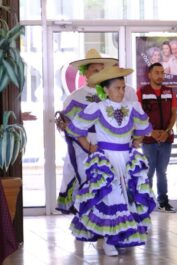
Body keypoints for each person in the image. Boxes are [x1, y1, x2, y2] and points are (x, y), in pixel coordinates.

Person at [65, 66, 156, 256]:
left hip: (126, 158)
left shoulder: (132, 107)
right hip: (107, 159)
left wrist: (136, 141)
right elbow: (75, 129)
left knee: (127, 197)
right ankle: (108, 240)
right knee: (111, 196)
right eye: (117, 88)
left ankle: (120, 236)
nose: (121, 91)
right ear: (105, 89)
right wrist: (89, 147)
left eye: (123, 87)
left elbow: (143, 128)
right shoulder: (97, 108)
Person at [56, 49, 137, 213]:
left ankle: (111, 219)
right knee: (88, 181)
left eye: (101, 70)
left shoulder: (112, 92)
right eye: (95, 70)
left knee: (114, 182)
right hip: (84, 148)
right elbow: (70, 127)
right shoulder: (75, 97)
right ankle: (88, 220)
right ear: (85, 72)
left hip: (112, 146)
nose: (99, 73)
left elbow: (128, 119)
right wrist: (87, 146)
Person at [137, 62, 177, 213]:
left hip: (166, 138)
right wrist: (152, 132)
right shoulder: (141, 92)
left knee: (162, 171)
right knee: (149, 171)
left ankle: (163, 202)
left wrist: (167, 131)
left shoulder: (169, 91)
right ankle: (146, 202)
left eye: (162, 72)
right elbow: (139, 116)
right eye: (157, 72)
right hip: (148, 139)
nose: (160, 75)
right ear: (149, 75)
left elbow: (174, 113)